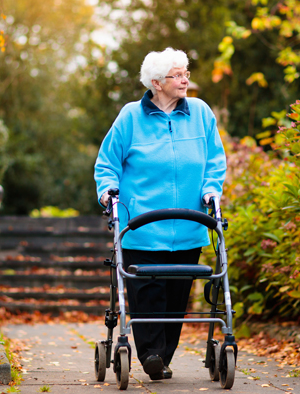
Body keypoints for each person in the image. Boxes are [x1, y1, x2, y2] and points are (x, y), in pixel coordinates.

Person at [94, 47, 226, 380]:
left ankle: (162, 356)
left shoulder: (200, 113)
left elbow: (215, 159)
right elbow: (107, 163)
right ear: (156, 82)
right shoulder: (130, 117)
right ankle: (150, 354)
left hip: (188, 224)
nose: (185, 80)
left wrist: (211, 188)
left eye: (186, 73)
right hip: (141, 227)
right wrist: (108, 191)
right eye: (177, 75)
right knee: (147, 293)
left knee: (176, 296)